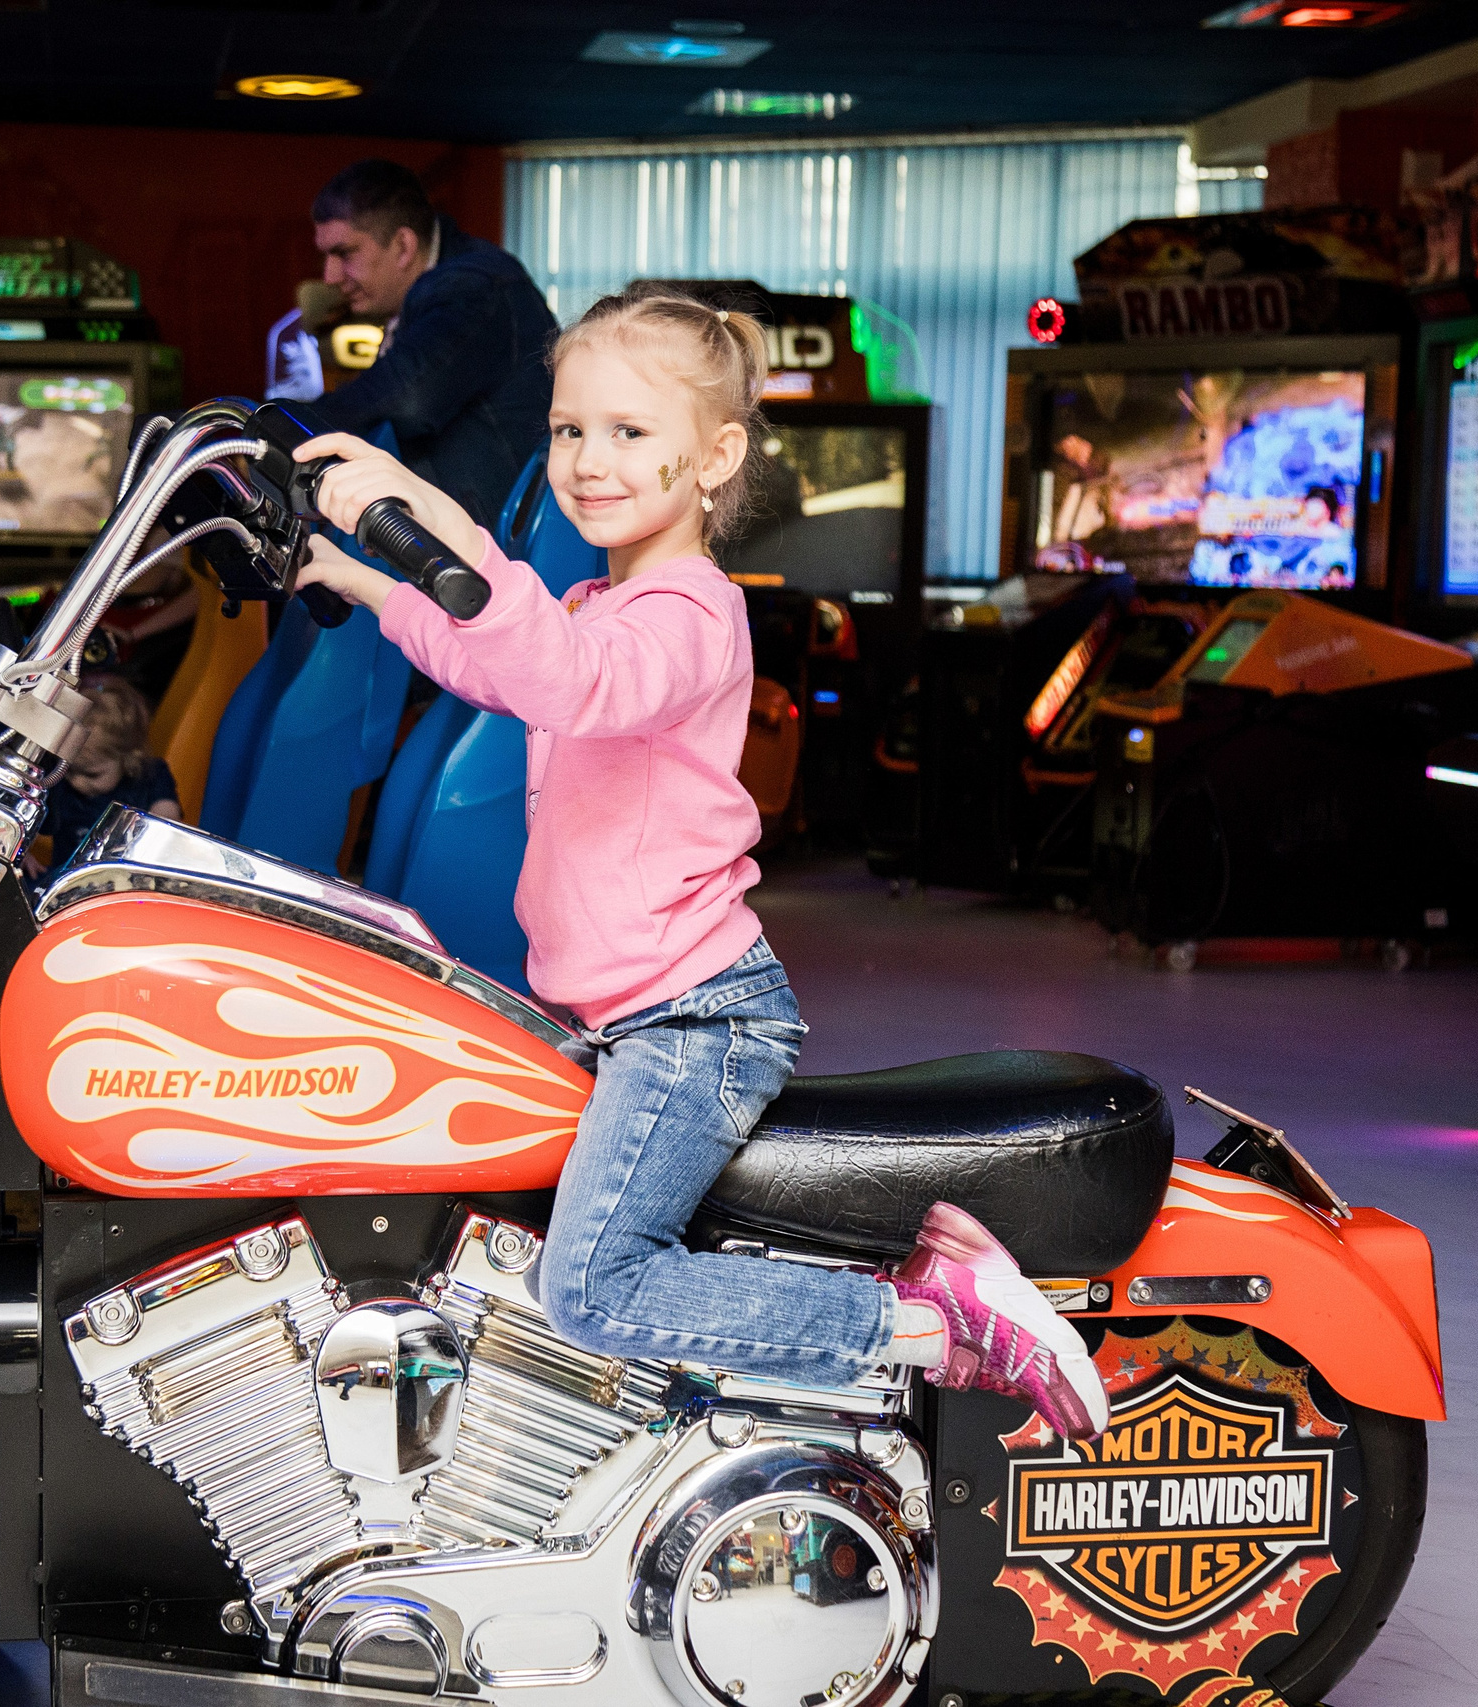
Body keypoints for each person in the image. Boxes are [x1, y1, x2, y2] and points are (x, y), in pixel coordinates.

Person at [291, 285, 1110, 1439]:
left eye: (630, 433)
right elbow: (509, 670)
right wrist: (377, 585)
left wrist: (433, 520)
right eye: (570, 429)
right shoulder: (599, 603)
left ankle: (934, 1325)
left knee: (593, 1285)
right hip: (615, 1008)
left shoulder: (689, 613)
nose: (588, 459)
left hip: (691, 1018)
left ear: (715, 455)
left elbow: (568, 676)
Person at [306, 159, 556, 528]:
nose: (329, 276)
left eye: (344, 254)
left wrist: (279, 424)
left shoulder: (472, 288)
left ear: (404, 246)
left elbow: (407, 399)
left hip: (499, 552)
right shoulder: (454, 279)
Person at [29, 677, 181, 880]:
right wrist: (24, 853)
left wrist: (158, 834)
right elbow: (29, 818)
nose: (77, 782)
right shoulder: (61, 786)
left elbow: (167, 821)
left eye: (92, 774)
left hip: (136, 884)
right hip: (72, 886)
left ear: (128, 757)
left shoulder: (150, 777)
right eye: (69, 770)